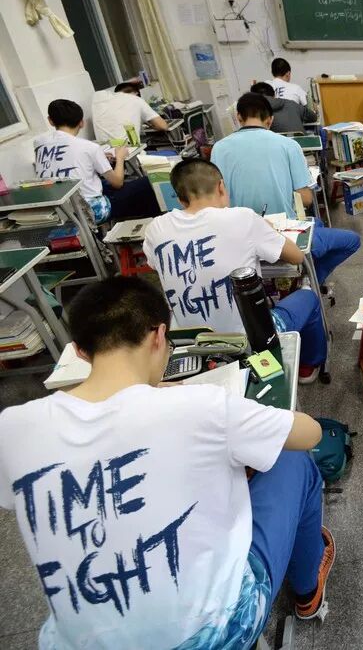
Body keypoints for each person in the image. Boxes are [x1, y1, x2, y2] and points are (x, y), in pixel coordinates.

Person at [0, 275, 335, 647]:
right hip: (213, 634)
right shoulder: (198, 405)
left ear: (79, 352)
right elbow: (310, 433)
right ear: (159, 335)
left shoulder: (12, 428)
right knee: (294, 462)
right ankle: (308, 594)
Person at [143, 158, 329, 383]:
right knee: (308, 298)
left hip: (189, 344)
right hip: (248, 342)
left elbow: (154, 264)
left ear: (180, 199)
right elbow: (297, 256)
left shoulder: (156, 228)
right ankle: (308, 367)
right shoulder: (243, 218)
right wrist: (268, 229)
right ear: (221, 186)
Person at [211, 94, 361, 287]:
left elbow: (217, 199)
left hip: (237, 236)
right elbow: (306, 199)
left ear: (238, 117)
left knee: (317, 224)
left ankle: (307, 276)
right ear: (270, 120)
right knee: (351, 240)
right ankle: (310, 282)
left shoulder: (219, 149)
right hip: (281, 235)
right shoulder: (288, 145)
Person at [34, 99, 160, 224]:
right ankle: (151, 223)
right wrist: (120, 157)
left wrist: (98, 157)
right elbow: (117, 183)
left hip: (58, 209)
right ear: (81, 123)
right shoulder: (90, 147)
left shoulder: (39, 144)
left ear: (50, 121)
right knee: (148, 182)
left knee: (103, 183)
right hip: (91, 211)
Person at [91, 81, 168, 143]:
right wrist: (153, 125)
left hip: (104, 147)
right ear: (136, 93)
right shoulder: (136, 99)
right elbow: (163, 126)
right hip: (127, 148)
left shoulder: (99, 99)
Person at [250, 82, 316, 134]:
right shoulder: (291, 103)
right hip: (301, 145)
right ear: (274, 95)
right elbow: (313, 117)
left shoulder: (252, 111)